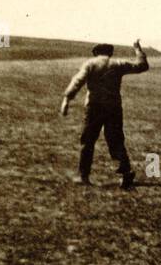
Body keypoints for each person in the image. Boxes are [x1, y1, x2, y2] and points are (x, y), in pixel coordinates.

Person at [61, 40, 149, 188]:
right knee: (116, 140)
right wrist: (137, 49)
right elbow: (142, 66)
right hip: (114, 107)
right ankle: (126, 172)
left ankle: (84, 176)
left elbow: (78, 81)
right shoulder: (118, 64)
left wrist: (67, 99)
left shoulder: (90, 64)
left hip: (94, 107)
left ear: (95, 53)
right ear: (110, 52)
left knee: (88, 141)